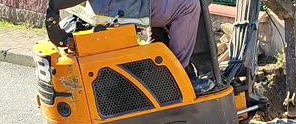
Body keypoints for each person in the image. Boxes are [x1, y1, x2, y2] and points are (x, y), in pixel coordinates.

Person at [63, 0, 215, 93]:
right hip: (113, 6)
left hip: (91, 6)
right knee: (188, 5)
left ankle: (160, 70)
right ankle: (179, 76)